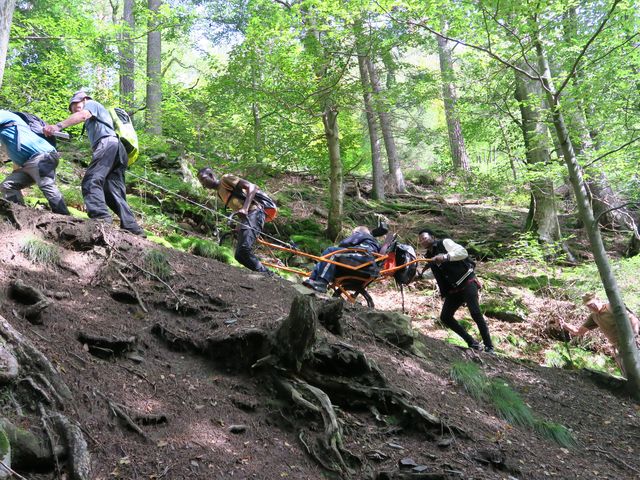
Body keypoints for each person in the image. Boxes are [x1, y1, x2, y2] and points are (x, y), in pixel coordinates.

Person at [43, 91, 144, 236]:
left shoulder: (92, 104)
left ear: (84, 100)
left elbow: (82, 115)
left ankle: (101, 220)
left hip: (108, 144)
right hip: (117, 149)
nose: (76, 111)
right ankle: (133, 228)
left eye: (76, 107)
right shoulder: (96, 118)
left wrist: (58, 126)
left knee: (91, 181)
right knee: (112, 191)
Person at [418, 229, 494, 353]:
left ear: (432, 236)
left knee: (475, 313)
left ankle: (489, 346)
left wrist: (446, 256)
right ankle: (472, 343)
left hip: (468, 282)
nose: (422, 241)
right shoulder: (429, 256)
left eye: (425, 238)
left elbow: (462, 252)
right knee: (445, 317)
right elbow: (436, 272)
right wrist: (421, 276)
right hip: (454, 290)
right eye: (420, 240)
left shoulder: (445, 243)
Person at [197, 167, 271, 274]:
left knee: (244, 250)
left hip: (255, 213)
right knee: (239, 255)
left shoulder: (225, 179)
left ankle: (268, 274)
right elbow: (239, 209)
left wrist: (245, 208)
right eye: (201, 182)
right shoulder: (219, 193)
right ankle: (265, 274)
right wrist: (238, 226)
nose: (203, 184)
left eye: (203, 179)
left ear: (211, 176)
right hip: (248, 218)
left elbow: (252, 187)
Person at [0, 110, 70, 215]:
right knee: (8, 185)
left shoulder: (3, 114)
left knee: (46, 184)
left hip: (41, 156)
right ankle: (19, 215)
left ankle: (64, 217)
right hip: (27, 165)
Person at [563, 293, 639, 375]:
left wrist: (633, 337)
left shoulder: (611, 307)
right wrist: (564, 324)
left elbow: (633, 320)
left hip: (632, 343)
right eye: (588, 306)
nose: (591, 307)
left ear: (598, 300)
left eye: (592, 304)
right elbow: (578, 331)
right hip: (618, 348)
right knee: (629, 374)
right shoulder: (594, 317)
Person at [302, 226, 381, 293]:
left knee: (331, 252)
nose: (353, 235)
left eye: (353, 234)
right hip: (366, 262)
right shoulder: (374, 242)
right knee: (328, 256)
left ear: (357, 232)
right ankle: (313, 280)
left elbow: (344, 243)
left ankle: (321, 282)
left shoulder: (362, 234)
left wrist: (342, 247)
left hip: (363, 258)